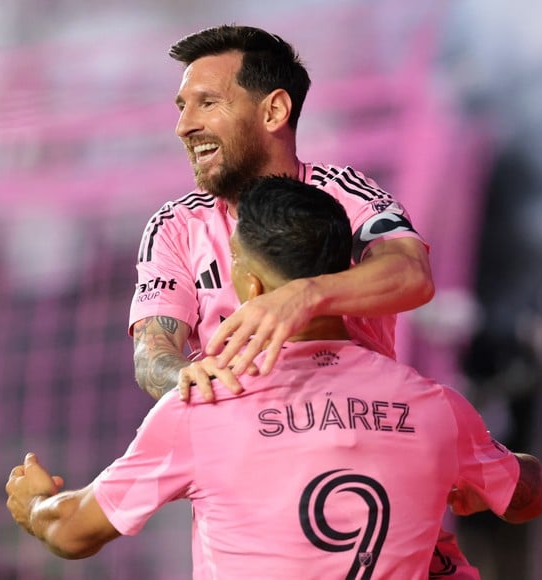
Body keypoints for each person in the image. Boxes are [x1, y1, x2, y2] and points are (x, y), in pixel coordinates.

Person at [6, 176, 542, 578]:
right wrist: (490, 473)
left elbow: (73, 531)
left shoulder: (203, 409)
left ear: (252, 289)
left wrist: (33, 506)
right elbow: (525, 496)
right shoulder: (436, 409)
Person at [128, 24, 471, 577]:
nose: (184, 125)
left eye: (207, 103)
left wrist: (303, 297)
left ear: (274, 111)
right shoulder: (175, 226)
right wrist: (190, 381)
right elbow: (153, 353)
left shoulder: (343, 192)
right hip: (258, 496)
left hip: (370, 449)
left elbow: (411, 273)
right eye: (181, 107)